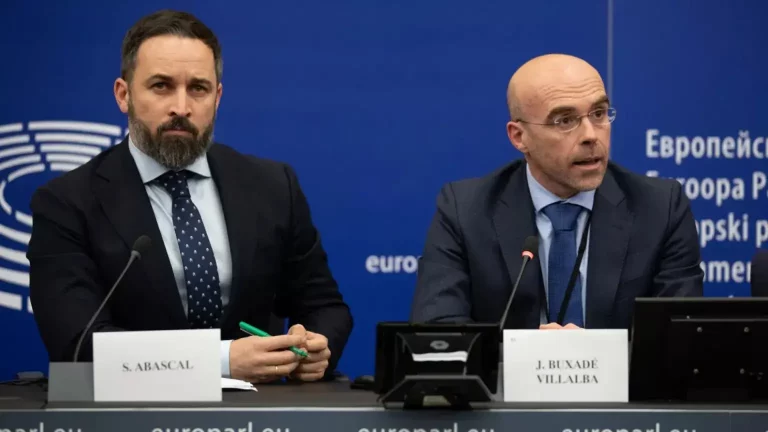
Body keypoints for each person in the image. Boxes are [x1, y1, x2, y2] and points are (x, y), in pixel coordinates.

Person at [27, 9, 352, 383]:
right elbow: (78, 343)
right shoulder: (67, 203)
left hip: (261, 415)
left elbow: (324, 306)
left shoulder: (273, 185)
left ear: (217, 97)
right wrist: (221, 360)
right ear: (124, 95)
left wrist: (315, 345)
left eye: (197, 88)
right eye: (161, 85)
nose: (181, 108)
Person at [410, 54, 703, 330]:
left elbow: (677, 340)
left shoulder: (659, 208)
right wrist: (528, 356)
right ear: (519, 136)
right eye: (565, 120)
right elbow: (440, 332)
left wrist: (594, 358)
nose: (591, 135)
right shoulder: (465, 209)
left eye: (599, 113)